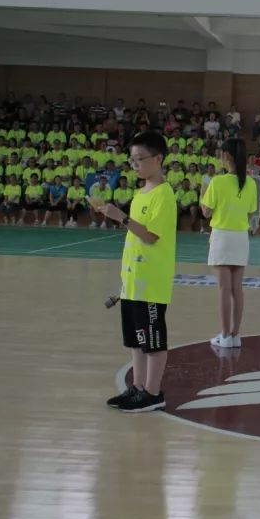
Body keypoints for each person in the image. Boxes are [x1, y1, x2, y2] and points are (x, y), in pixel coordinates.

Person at [97, 131, 177, 413]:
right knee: (136, 339)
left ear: (158, 158)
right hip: (133, 280)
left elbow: (151, 235)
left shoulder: (164, 195)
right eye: (132, 160)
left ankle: (153, 393)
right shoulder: (140, 193)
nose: (135, 165)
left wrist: (121, 217)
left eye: (140, 159)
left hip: (151, 282)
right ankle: (138, 388)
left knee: (153, 340)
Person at [200, 137, 258, 349]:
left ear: (226, 155)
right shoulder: (250, 183)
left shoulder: (217, 182)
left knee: (224, 289)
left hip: (222, 237)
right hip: (241, 237)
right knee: (236, 288)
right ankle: (235, 335)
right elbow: (250, 212)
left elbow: (206, 212)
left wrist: (202, 194)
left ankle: (225, 335)